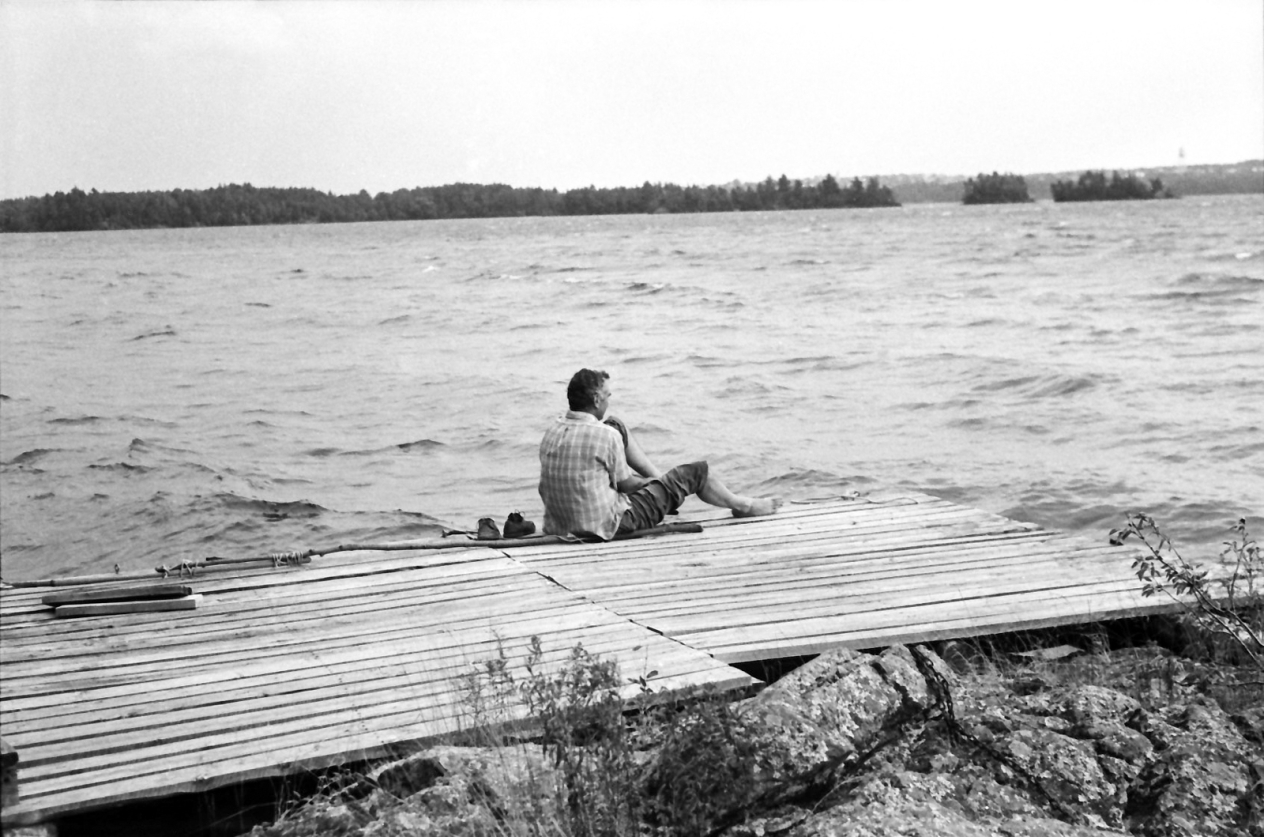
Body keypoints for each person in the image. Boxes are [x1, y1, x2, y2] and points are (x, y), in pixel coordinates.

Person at [538, 368, 782, 540]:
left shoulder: (552, 430)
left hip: (560, 523)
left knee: (616, 424)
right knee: (697, 472)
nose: (608, 402)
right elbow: (628, 485)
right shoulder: (604, 437)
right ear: (595, 398)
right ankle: (745, 505)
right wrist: (656, 484)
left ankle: (663, 487)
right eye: (607, 396)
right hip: (607, 524)